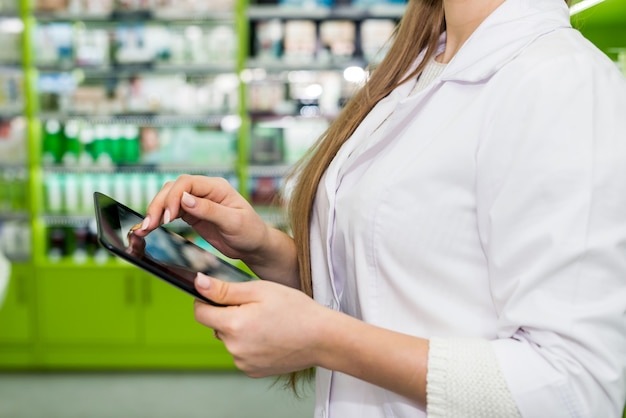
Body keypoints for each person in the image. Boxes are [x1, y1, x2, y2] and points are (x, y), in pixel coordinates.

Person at [132, 0, 626, 416]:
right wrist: (266, 250)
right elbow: (387, 292)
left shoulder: (562, 81)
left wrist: (326, 340)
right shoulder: (420, 65)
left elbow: (572, 389)